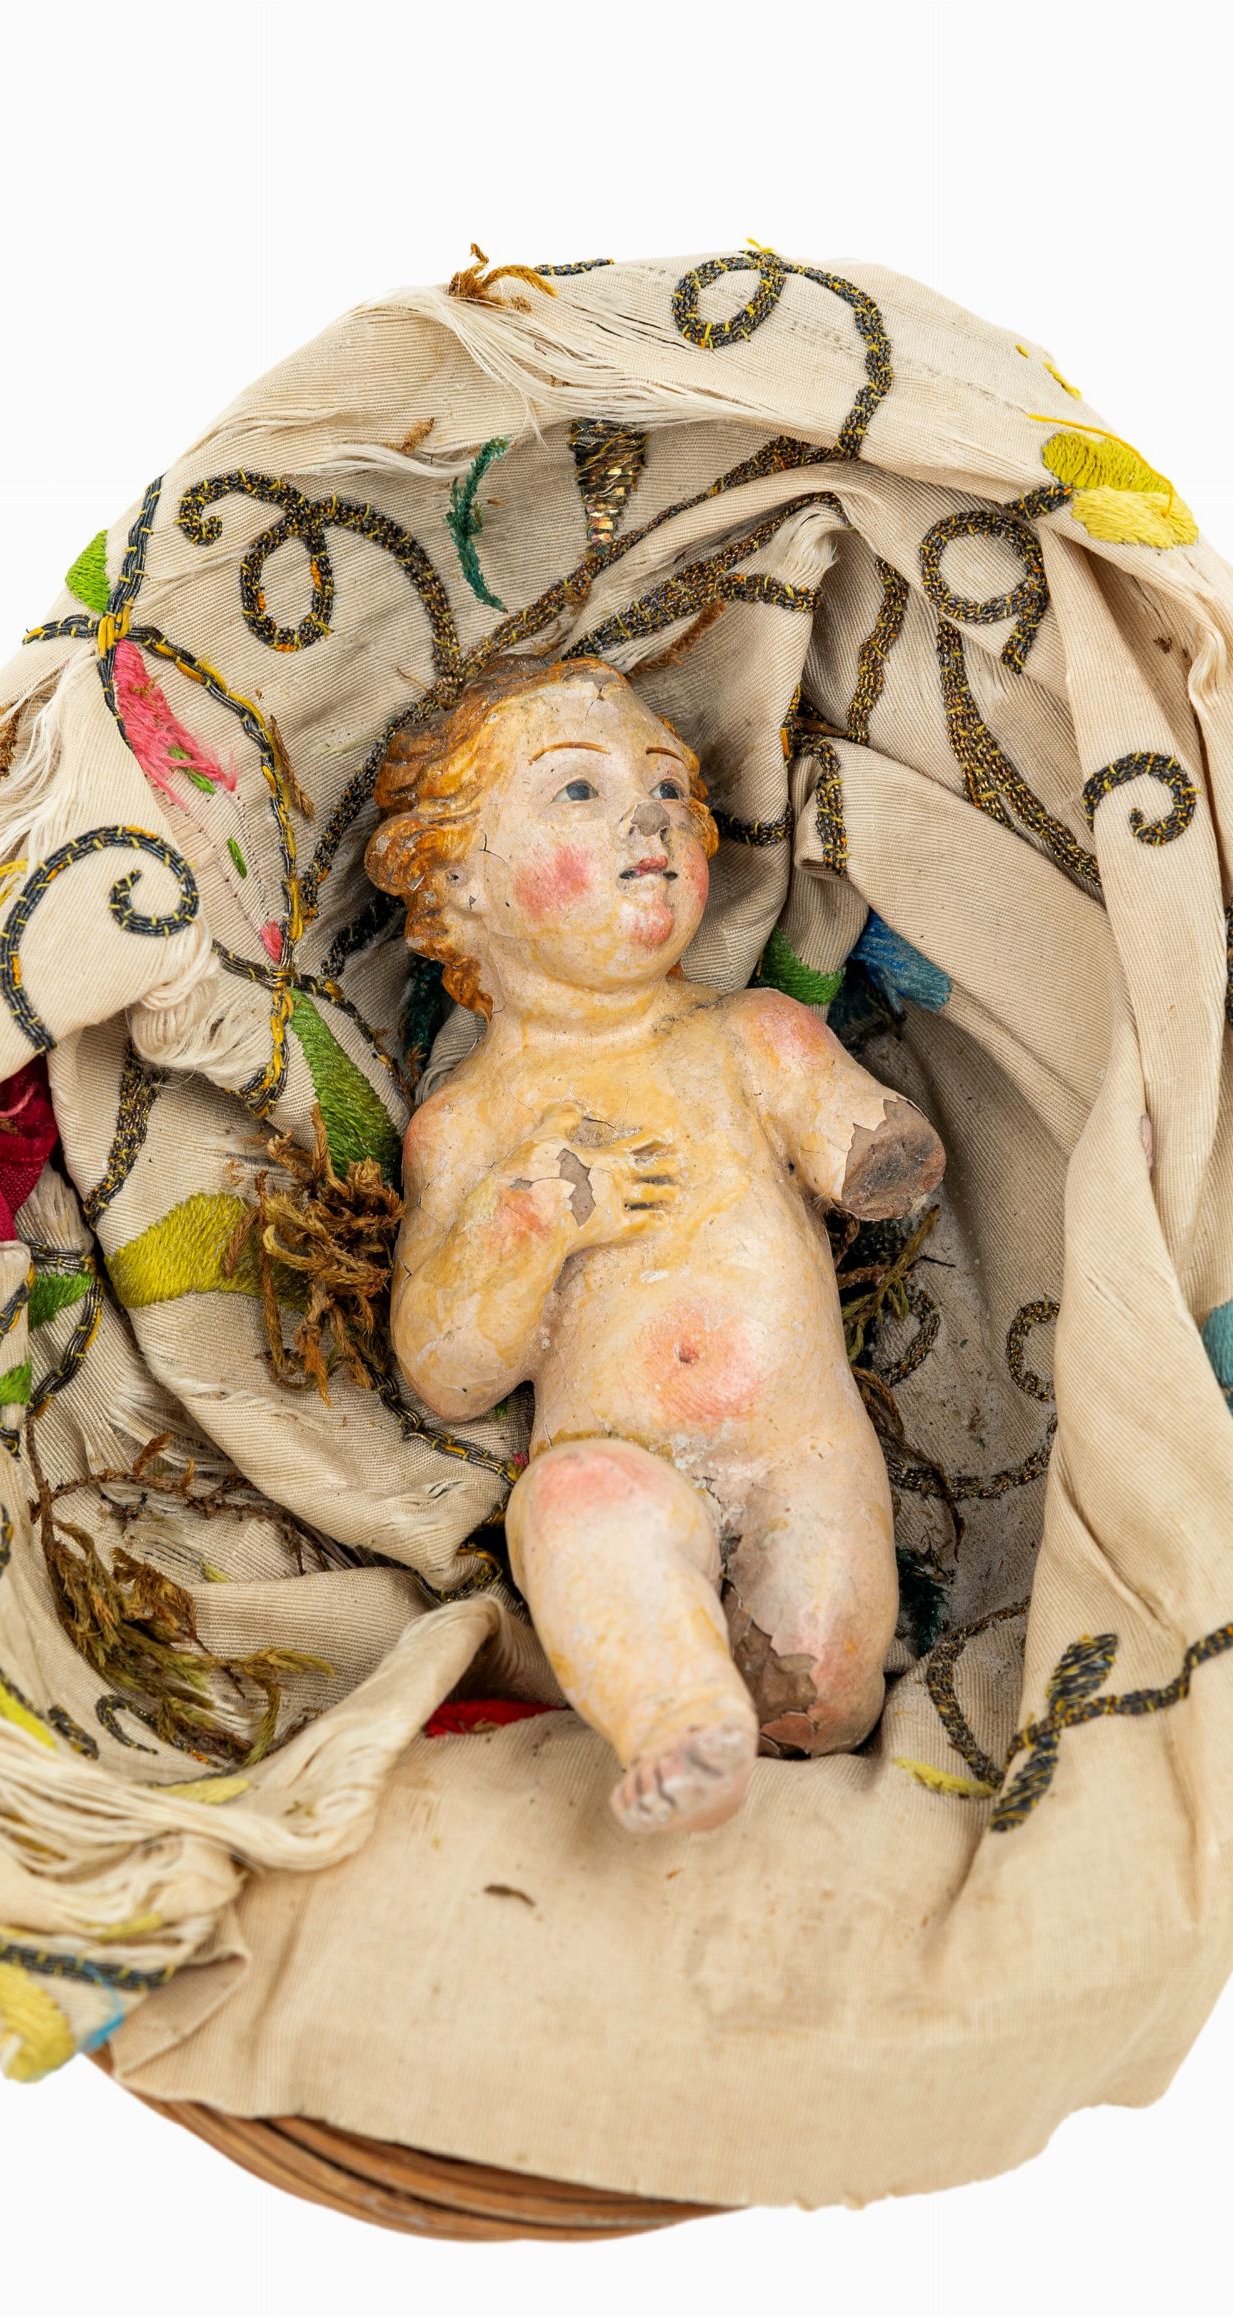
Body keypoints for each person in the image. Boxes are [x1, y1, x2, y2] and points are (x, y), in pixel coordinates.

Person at [369, 656, 944, 1834]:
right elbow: (446, 1374)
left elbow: (859, 1131)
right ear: (461, 881)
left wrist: (874, 1150)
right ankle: (679, 1718)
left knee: (821, 1684)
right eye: (578, 789)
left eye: (671, 788)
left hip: (800, 1451)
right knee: (575, 1510)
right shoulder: (470, 1127)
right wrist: (523, 1224)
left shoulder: (750, 1035)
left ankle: (772, 1721)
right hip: (617, 1455)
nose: (653, 819)